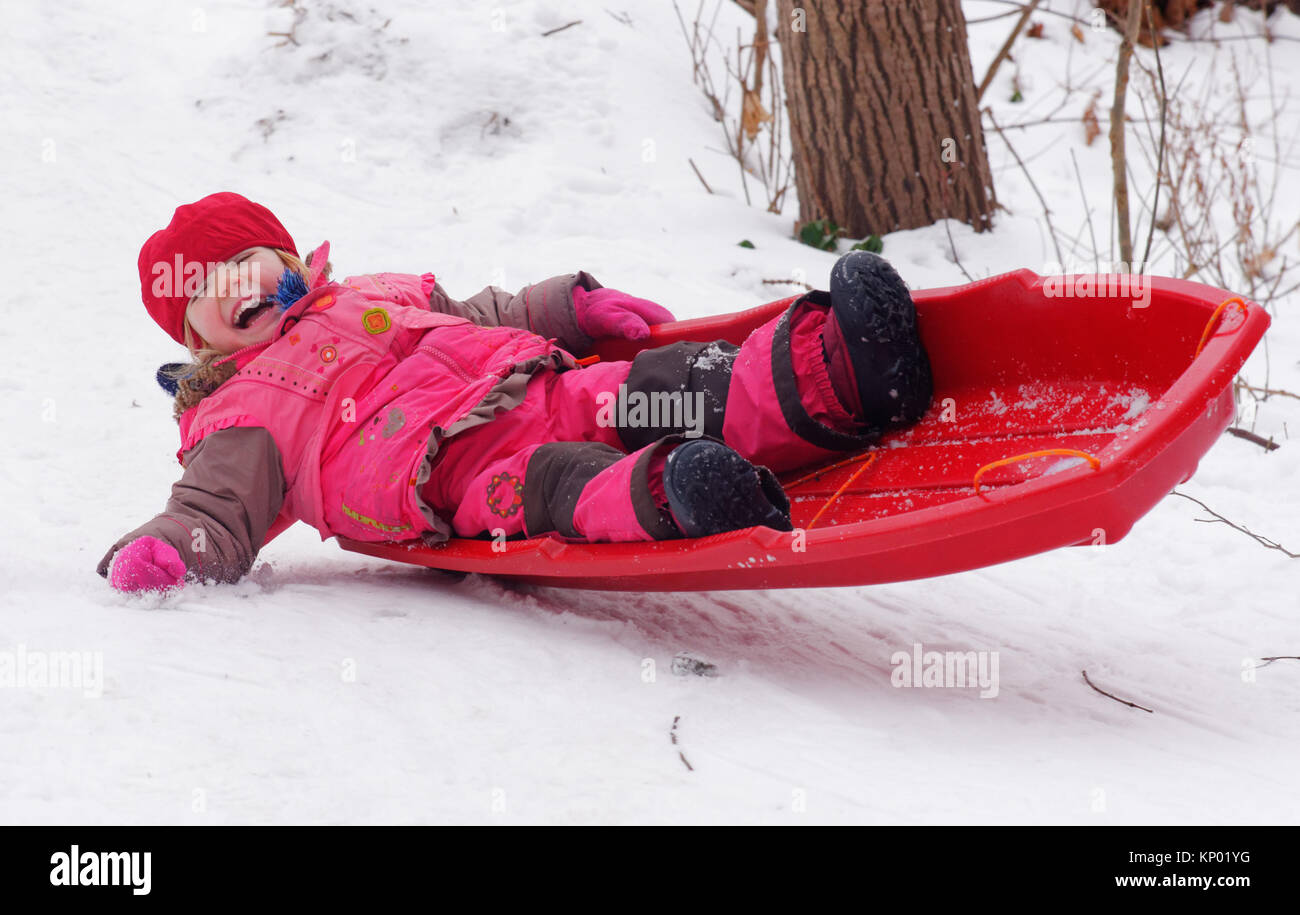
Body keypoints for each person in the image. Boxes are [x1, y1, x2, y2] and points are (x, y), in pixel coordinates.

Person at [99, 192, 932, 593]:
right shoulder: (241, 411)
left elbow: (477, 312)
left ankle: (844, 376)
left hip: (535, 385)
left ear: (289, 260)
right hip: (455, 478)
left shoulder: (372, 291)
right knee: (566, 484)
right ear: (197, 342)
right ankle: (683, 492)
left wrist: (565, 305)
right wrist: (172, 549)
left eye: (248, 260)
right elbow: (215, 511)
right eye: (205, 289)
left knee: (663, 387)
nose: (234, 284)